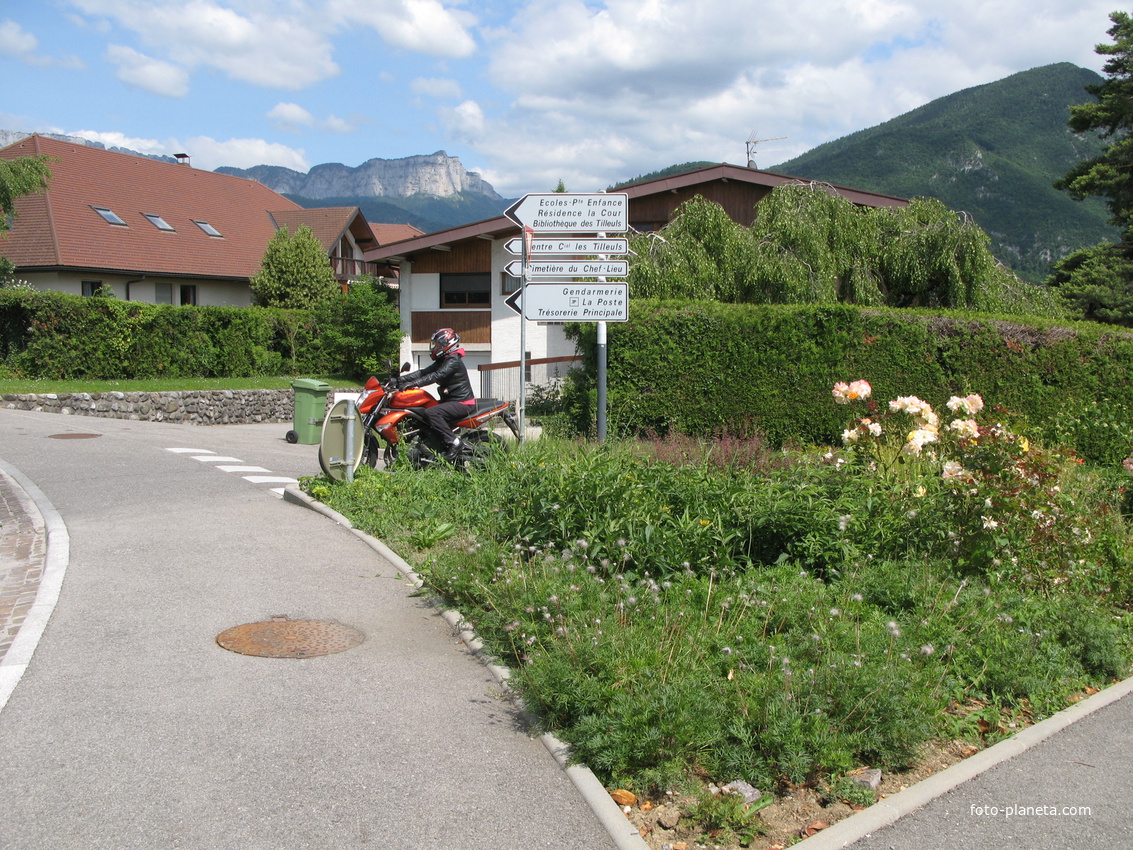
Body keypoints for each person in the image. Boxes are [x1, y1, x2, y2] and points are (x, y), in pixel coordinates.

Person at [396, 328, 476, 463]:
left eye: (438, 345)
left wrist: (412, 384)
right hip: (450, 400)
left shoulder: (453, 360)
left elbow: (436, 376)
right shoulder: (444, 359)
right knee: (421, 412)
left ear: (448, 344)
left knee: (431, 412)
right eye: (435, 345)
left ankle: (454, 442)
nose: (435, 347)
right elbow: (423, 373)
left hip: (462, 403)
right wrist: (398, 380)